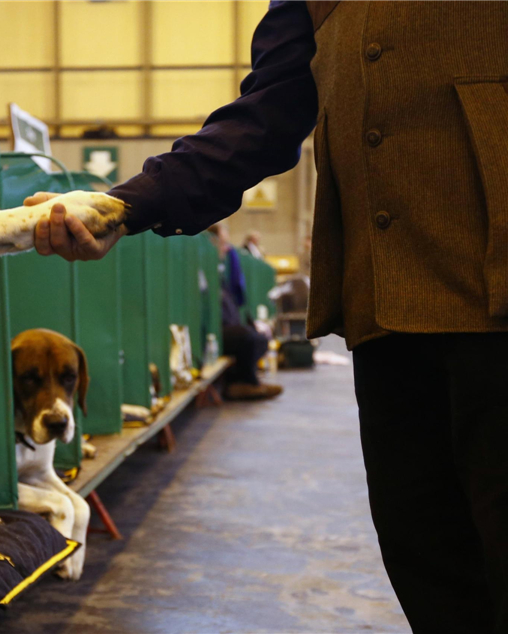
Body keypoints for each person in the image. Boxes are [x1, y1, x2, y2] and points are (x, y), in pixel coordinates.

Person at [26, 2, 508, 632]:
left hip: (496, 294)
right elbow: (268, 113)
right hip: (386, 308)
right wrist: (122, 205)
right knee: (432, 567)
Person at [209, 225, 282, 400]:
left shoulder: (219, 269)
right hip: (214, 332)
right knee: (247, 337)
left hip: (226, 326)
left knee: (258, 336)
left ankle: (249, 382)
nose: (226, 249)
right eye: (223, 243)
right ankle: (244, 384)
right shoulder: (208, 268)